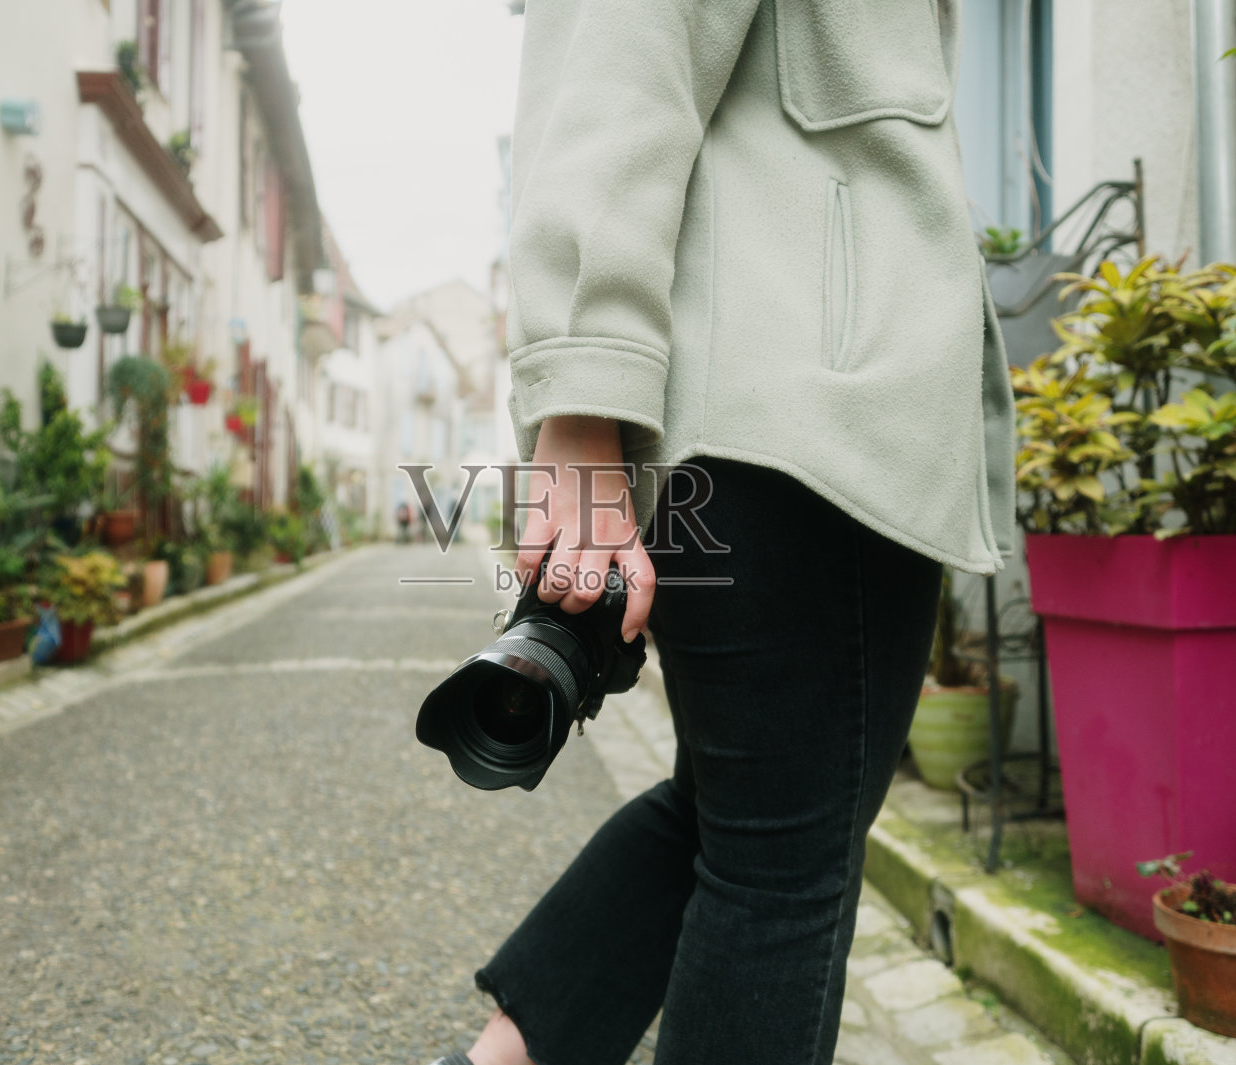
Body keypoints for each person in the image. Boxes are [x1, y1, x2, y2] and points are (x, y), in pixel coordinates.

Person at [428, 0, 1014, 1062]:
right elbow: (621, 47)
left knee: (739, 820)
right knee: (782, 868)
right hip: (804, 416)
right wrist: (580, 405)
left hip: (781, 402)